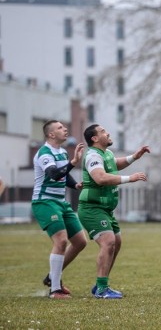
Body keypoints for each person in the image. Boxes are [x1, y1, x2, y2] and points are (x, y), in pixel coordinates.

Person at [78, 124, 150, 299]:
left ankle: (100, 285)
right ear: (94, 138)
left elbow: (114, 163)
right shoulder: (93, 155)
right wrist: (129, 178)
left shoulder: (106, 154)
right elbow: (100, 177)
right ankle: (102, 289)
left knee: (116, 242)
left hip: (106, 209)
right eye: (103, 131)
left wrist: (134, 157)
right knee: (108, 241)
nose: (107, 132)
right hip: (92, 208)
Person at [32, 120, 87, 299]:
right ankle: (55, 290)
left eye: (65, 127)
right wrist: (73, 161)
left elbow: (64, 175)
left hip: (61, 202)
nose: (65, 130)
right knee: (61, 241)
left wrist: (75, 184)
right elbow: (54, 174)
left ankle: (51, 277)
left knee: (80, 242)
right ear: (51, 135)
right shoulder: (44, 153)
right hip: (45, 202)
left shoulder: (62, 152)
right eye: (60, 128)